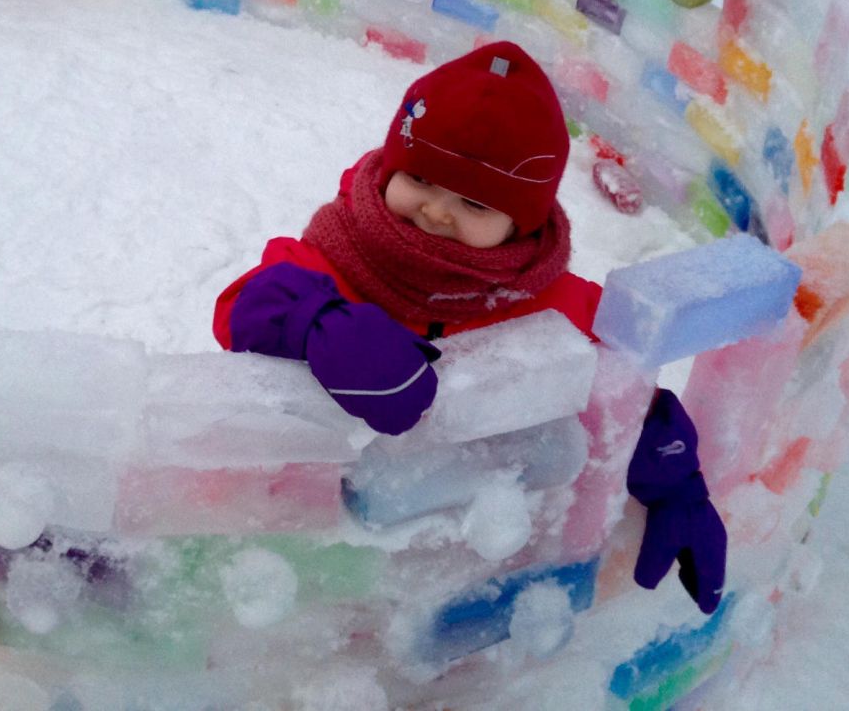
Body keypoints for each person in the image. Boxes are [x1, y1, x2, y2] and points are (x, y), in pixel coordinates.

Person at [213, 40, 726, 613]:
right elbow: (243, 310)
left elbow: (621, 391)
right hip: (327, 560)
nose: (435, 211)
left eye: (474, 204)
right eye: (420, 179)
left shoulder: (553, 302)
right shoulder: (336, 254)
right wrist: (317, 319)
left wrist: (677, 480)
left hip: (464, 565)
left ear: (521, 225)